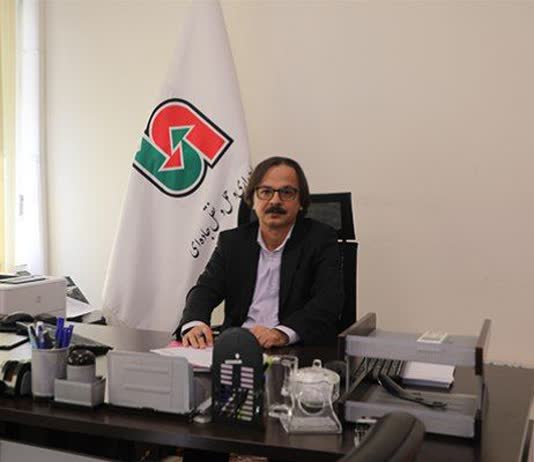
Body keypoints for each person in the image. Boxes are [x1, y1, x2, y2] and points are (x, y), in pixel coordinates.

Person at [176, 156, 343, 349]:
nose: (275, 200)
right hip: (238, 346)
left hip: (294, 349)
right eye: (265, 192)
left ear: (301, 202)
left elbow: (328, 301)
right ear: (252, 200)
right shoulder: (233, 243)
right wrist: (194, 323)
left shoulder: (320, 239)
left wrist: (281, 334)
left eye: (286, 192)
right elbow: (205, 289)